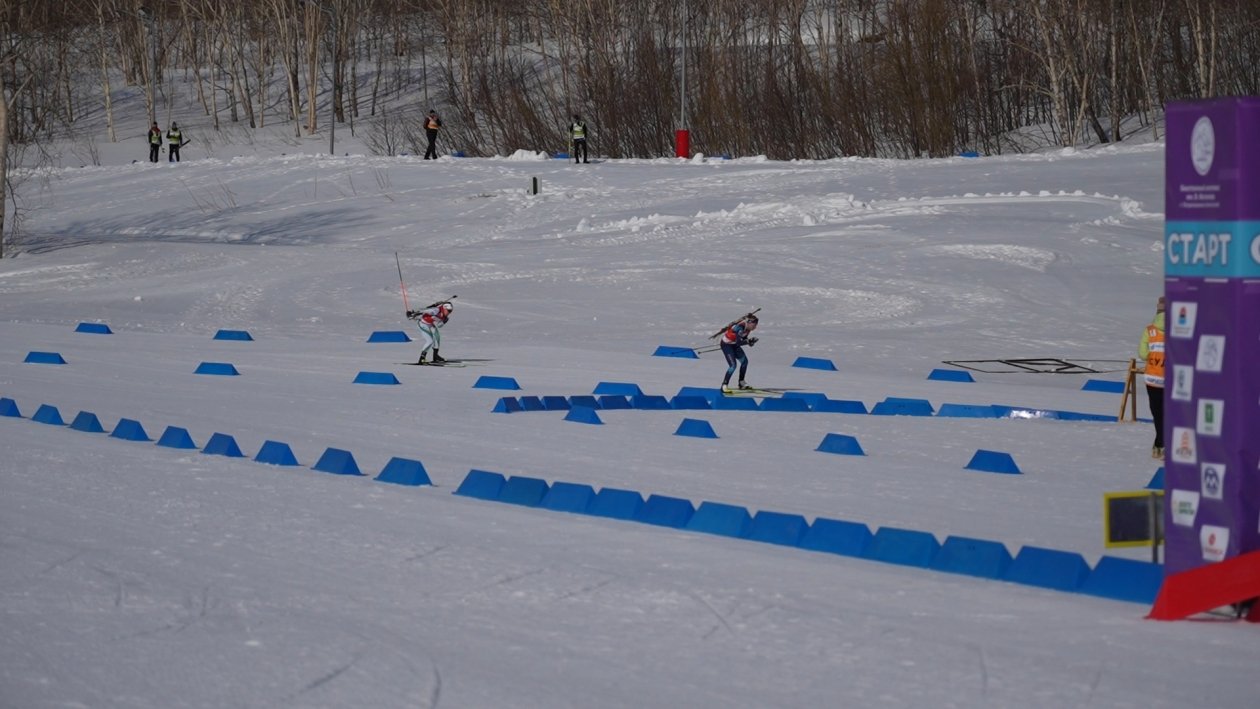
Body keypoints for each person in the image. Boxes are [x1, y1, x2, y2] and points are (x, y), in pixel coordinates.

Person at [1138, 295, 1166, 459]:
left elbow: (1142, 354)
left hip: (1152, 379)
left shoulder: (1150, 330)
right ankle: (1160, 445)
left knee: (1158, 413)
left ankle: (1159, 445)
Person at [719, 314, 759, 393]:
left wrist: (750, 342)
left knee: (744, 362)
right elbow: (739, 342)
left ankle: (741, 383)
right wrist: (748, 341)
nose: (755, 327)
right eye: (754, 325)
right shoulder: (740, 328)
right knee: (733, 366)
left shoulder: (748, 328)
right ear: (749, 323)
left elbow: (743, 339)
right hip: (727, 345)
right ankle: (724, 385)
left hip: (734, 345)